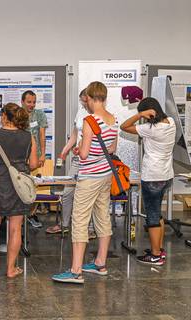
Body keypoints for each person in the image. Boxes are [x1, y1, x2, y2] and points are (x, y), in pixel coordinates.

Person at [52, 81, 118, 284]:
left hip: (89, 177)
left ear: (89, 98)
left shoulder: (90, 121)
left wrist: (79, 149)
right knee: (102, 217)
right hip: (105, 175)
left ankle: (75, 271)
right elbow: (113, 149)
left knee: (80, 220)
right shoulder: (113, 119)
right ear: (104, 97)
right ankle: (100, 263)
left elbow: (85, 154)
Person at [0, 103, 38, 278]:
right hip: (19, 187)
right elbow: (33, 164)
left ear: (4, 116)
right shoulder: (29, 137)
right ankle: (11, 269)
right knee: (16, 228)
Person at [120, 97, 175, 266]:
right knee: (157, 213)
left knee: (151, 216)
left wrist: (139, 115)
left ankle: (156, 255)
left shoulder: (150, 128)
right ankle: (158, 248)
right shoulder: (171, 122)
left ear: (149, 111)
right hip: (166, 175)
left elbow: (123, 127)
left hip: (152, 176)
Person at [46, 89, 96, 239]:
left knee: (89, 194)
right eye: (81, 100)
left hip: (92, 160)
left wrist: (82, 148)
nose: (83, 103)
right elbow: (75, 134)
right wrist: (65, 150)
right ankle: (64, 225)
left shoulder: (98, 115)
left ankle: (91, 228)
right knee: (67, 192)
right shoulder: (81, 112)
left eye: (85, 100)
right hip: (77, 159)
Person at [22, 90, 47, 228]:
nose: (32, 105)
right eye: (29, 102)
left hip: (35, 156)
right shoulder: (17, 115)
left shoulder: (40, 115)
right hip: (19, 156)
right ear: (23, 102)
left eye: (34, 102)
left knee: (34, 186)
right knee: (20, 187)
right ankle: (18, 216)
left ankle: (31, 214)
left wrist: (43, 154)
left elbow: (42, 135)